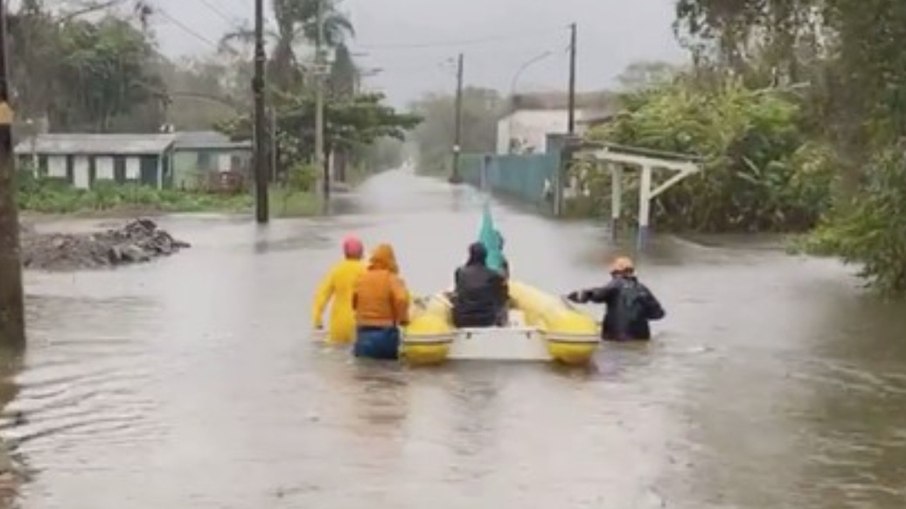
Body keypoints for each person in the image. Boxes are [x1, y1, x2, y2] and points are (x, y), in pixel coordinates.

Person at [566, 256, 665, 341]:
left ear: (615, 273)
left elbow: (598, 294)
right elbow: (659, 314)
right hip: (641, 338)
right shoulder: (643, 289)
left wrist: (580, 295)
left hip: (617, 339)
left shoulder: (616, 283)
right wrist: (637, 313)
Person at [352, 243, 410, 359]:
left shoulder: (361, 278)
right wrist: (403, 319)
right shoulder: (391, 278)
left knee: (363, 373)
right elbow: (401, 299)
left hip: (363, 334)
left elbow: (354, 302)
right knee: (388, 373)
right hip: (386, 334)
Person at [311, 235, 366, 344]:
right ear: (361, 252)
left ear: (344, 253)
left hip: (339, 324)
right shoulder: (367, 270)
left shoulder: (336, 270)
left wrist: (317, 321)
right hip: (361, 323)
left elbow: (321, 296)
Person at [451, 242, 509, 328]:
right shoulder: (493, 275)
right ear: (485, 256)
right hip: (486, 320)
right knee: (502, 300)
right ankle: (503, 326)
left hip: (462, 320)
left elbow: (458, 291)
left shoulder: (460, 272)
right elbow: (502, 297)